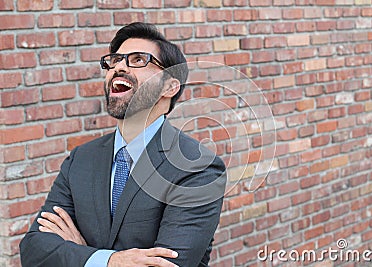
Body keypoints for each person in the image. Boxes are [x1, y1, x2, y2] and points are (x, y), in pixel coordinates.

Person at [19, 22, 226, 267]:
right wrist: (109, 261)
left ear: (170, 86)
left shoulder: (198, 168)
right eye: (114, 61)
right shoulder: (81, 160)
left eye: (138, 60)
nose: (118, 67)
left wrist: (81, 254)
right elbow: (34, 250)